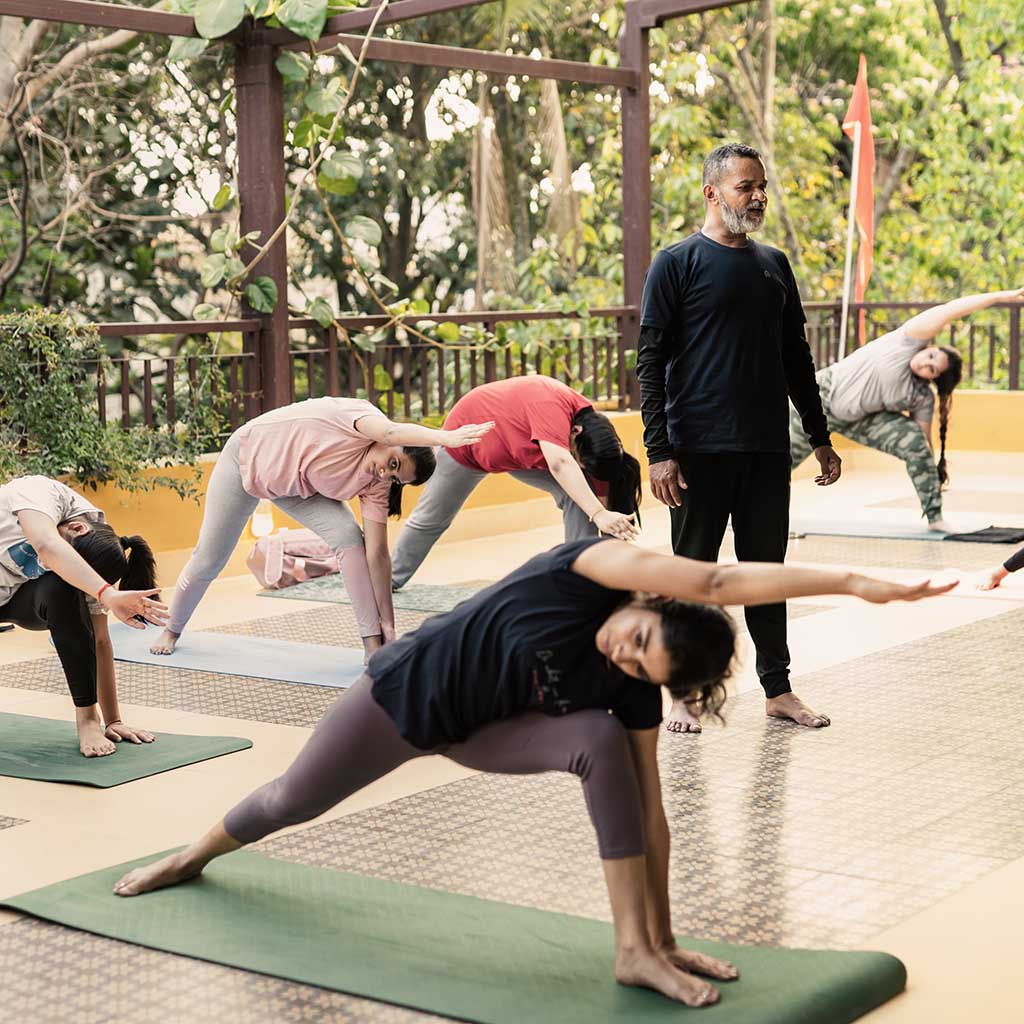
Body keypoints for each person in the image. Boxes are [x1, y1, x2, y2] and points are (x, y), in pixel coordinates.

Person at [113, 537, 953, 1008]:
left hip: (487, 734)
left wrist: (669, 935)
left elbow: (650, 815)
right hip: (406, 696)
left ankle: (639, 950)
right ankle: (192, 856)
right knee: (290, 798)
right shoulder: (589, 568)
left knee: (604, 744)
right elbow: (717, 577)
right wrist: (857, 582)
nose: (624, 656)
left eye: (643, 669)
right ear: (646, 600)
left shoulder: (626, 694)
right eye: (637, 639)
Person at [637, 142, 842, 736]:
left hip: (764, 447)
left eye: (761, 187)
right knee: (693, 576)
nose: (756, 197)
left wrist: (819, 435)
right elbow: (651, 362)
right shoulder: (675, 263)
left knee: (765, 572)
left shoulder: (774, 263)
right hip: (697, 449)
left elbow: (795, 358)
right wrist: (659, 451)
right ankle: (682, 692)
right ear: (710, 192)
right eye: (744, 187)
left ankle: (778, 691)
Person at [149, 397, 493, 661]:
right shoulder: (362, 419)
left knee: (351, 542)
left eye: (395, 476)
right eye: (393, 463)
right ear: (396, 440)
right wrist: (444, 437)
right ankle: (171, 629)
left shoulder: (378, 483)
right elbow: (388, 431)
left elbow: (378, 555)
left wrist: (388, 623)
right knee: (210, 559)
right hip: (244, 462)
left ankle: (371, 645)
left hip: (296, 489)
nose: (385, 473)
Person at [790, 289, 1023, 530]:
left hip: (859, 419)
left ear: (933, 378)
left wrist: (931, 475)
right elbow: (949, 311)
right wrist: (1002, 297)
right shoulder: (907, 341)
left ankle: (935, 518)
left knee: (916, 443)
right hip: (819, 401)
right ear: (928, 346)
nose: (926, 363)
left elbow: (923, 443)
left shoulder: (921, 397)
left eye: (932, 369)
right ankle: (758, 512)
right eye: (931, 356)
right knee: (777, 460)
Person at [391, 375, 642, 589]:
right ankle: (390, 578)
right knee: (431, 520)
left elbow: (596, 496)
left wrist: (611, 544)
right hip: (468, 442)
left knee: (579, 496)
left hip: (515, 452)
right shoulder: (548, 403)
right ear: (575, 432)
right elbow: (561, 464)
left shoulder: (594, 434)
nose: (576, 464)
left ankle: (579, 576)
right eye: (576, 458)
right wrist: (598, 513)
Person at [0, 476, 168, 757]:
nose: (45, 566)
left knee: (60, 588)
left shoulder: (94, 554)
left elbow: (99, 640)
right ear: (76, 527)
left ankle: (88, 719)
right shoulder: (39, 492)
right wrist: (109, 595)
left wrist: (113, 719)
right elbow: (47, 547)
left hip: (15, 600)